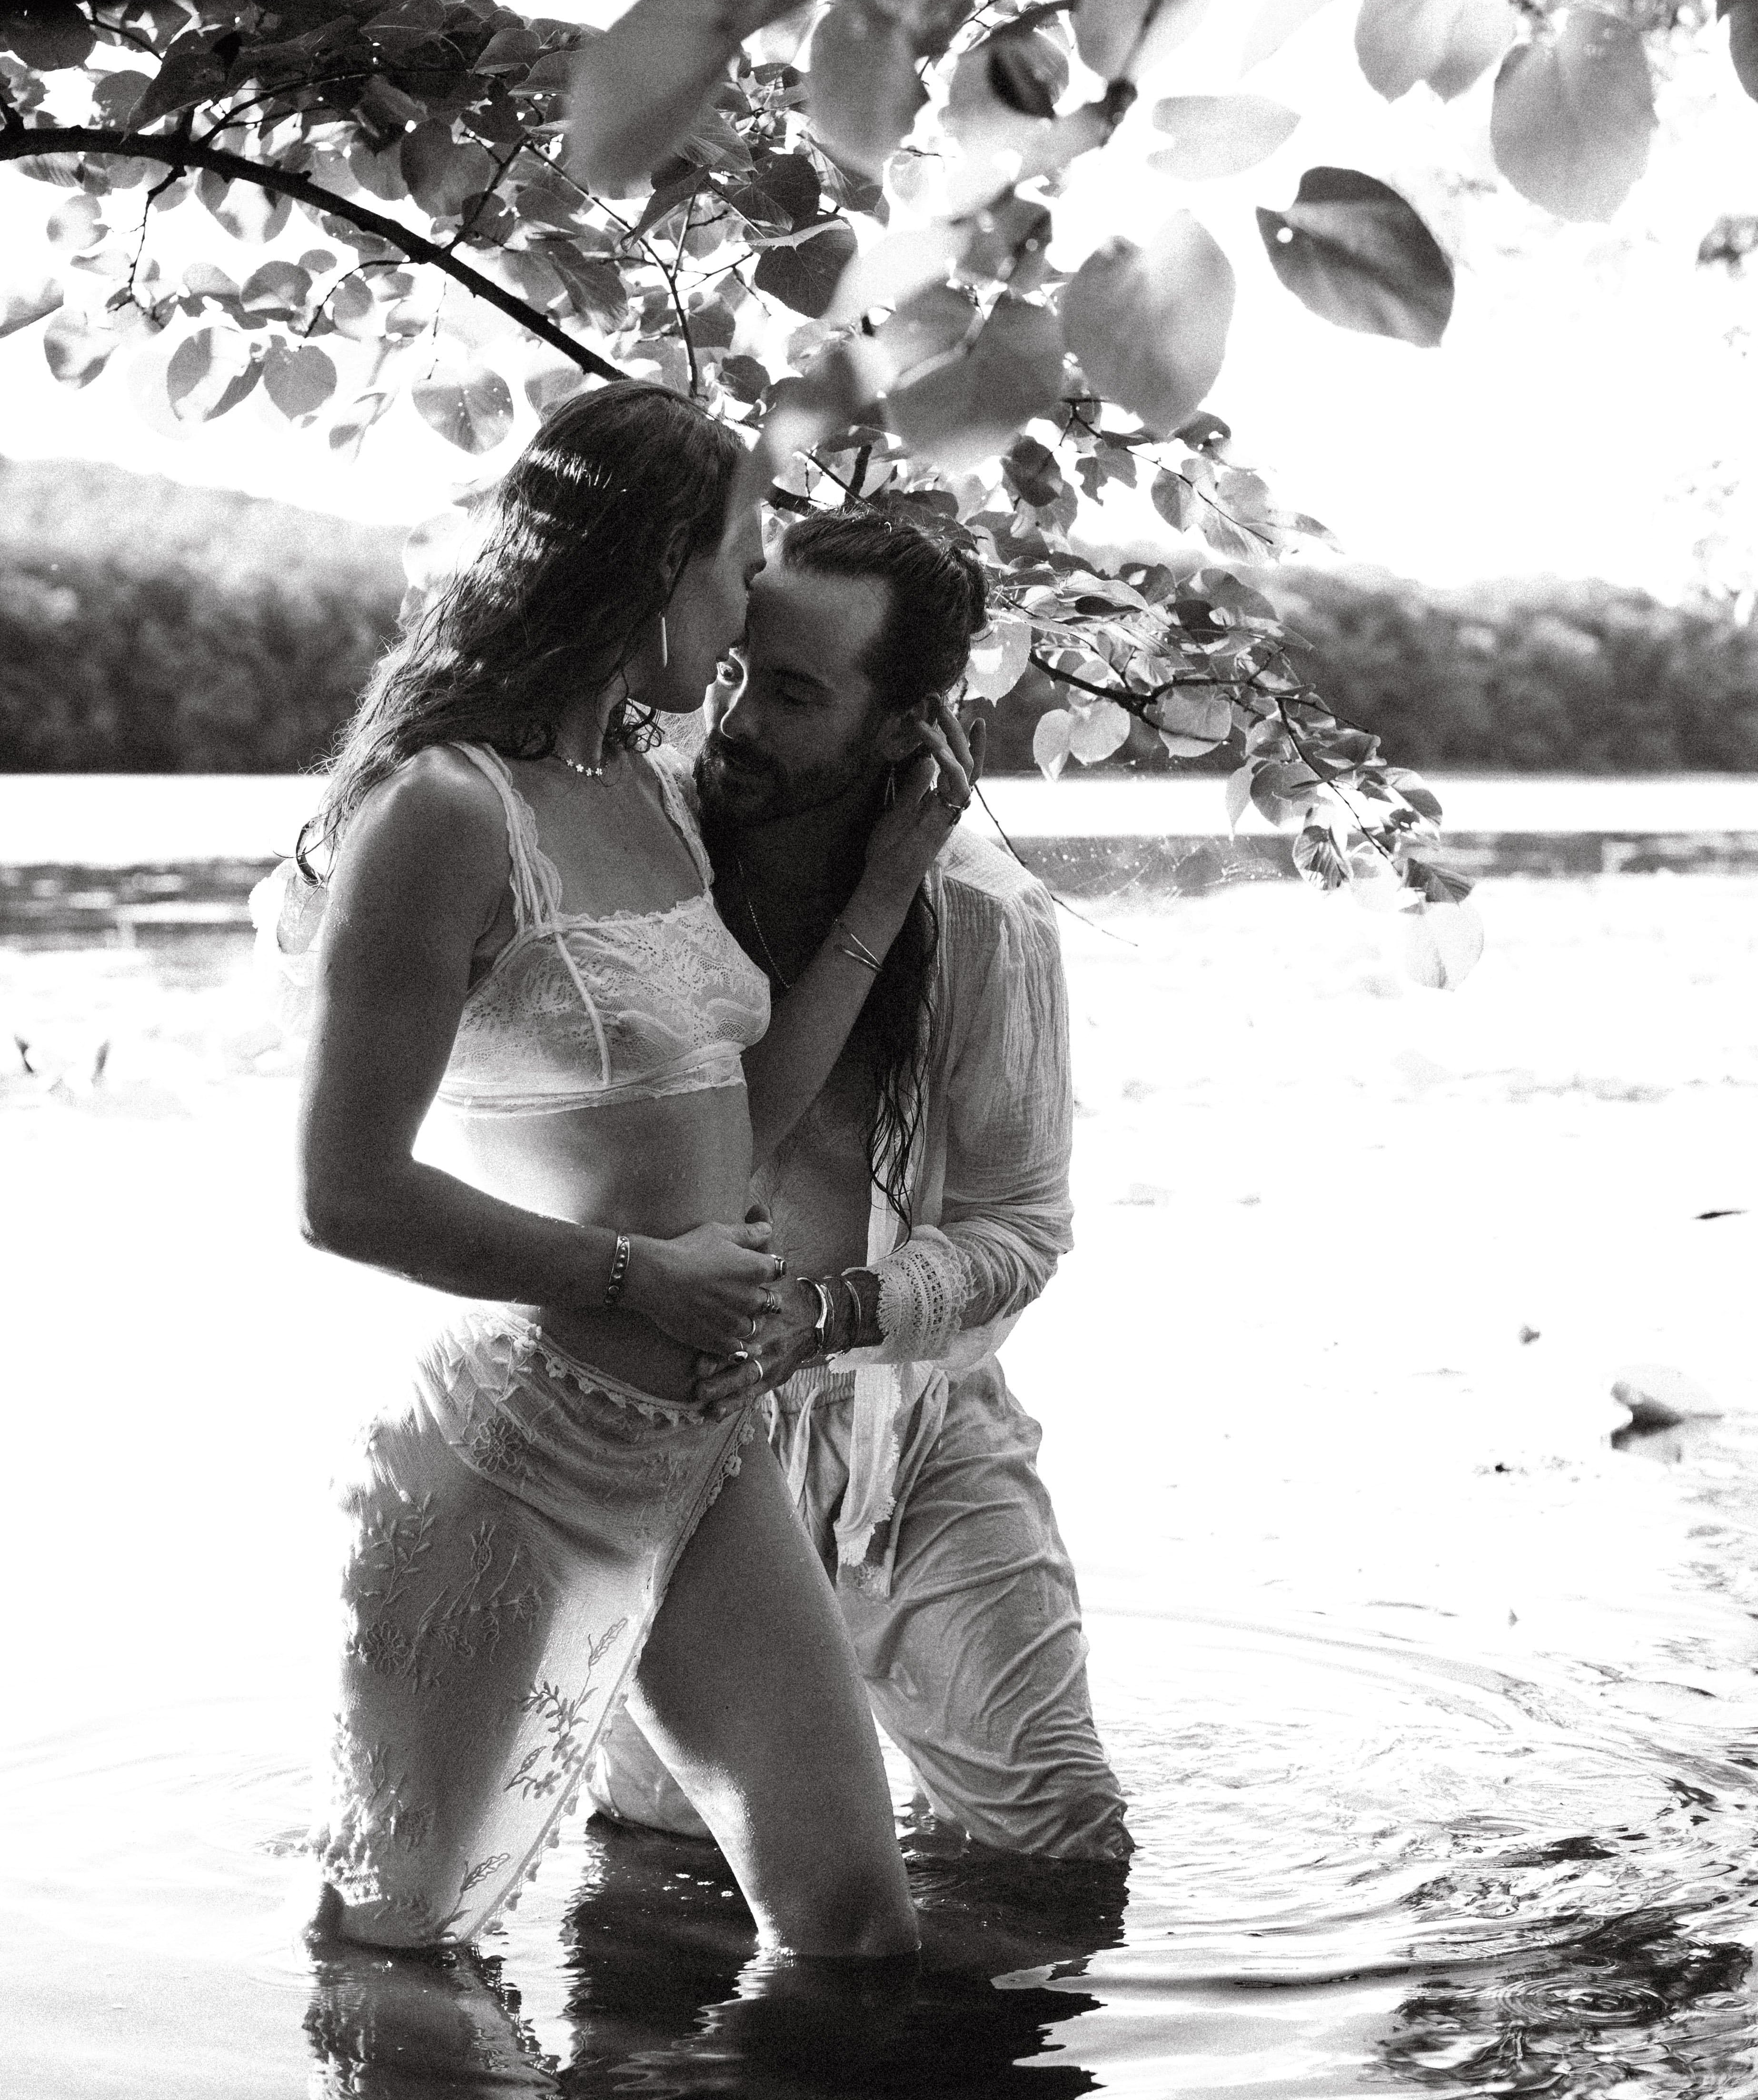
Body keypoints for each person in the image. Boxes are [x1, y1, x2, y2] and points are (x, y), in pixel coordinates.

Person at [258, 386, 976, 1955]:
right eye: (730, 561)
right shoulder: (445, 813)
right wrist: (639, 1275)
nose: (739, 611)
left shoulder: (649, 793)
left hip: (702, 1442)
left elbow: (742, 1112)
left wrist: (886, 885)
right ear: (647, 567)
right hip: (514, 1456)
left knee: (855, 1919)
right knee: (400, 1944)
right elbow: (343, 1193)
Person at [586, 506, 1131, 1863]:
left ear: (904, 728)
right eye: (732, 670)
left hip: (917, 1425)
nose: (734, 721)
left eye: (790, 693)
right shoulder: (636, 862)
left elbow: (1019, 1230)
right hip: (675, 1437)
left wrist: (826, 1314)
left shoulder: (981, 922)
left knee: (1060, 1846)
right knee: (665, 1869)